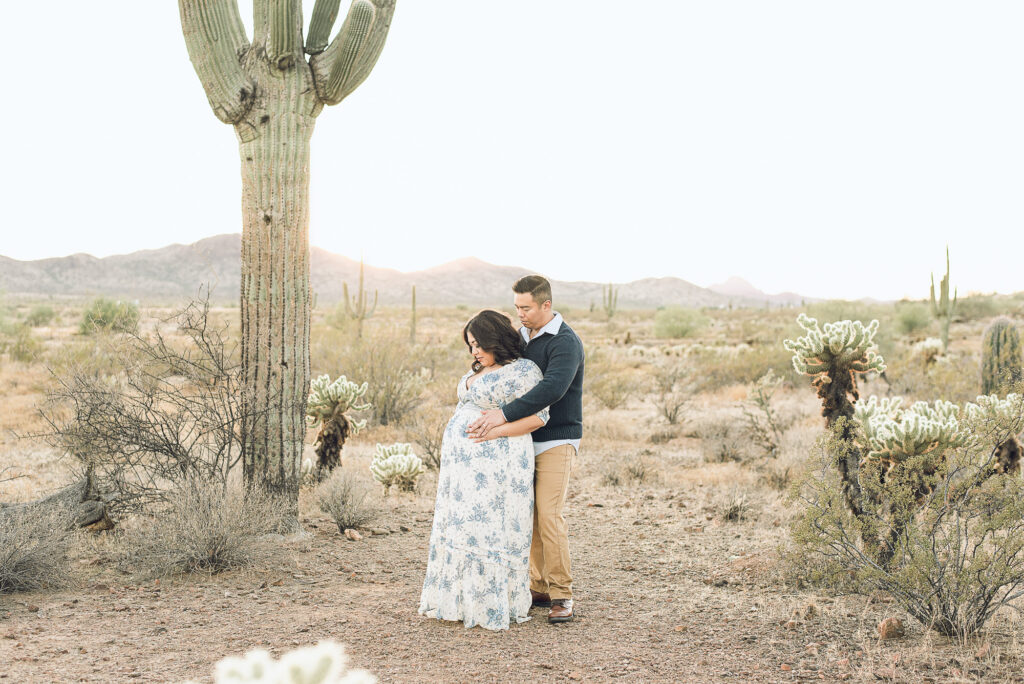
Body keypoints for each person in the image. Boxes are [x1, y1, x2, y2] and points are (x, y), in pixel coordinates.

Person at [418, 309, 549, 631]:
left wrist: (494, 431)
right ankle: (461, 601)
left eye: (479, 344)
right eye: (470, 346)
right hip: (462, 468)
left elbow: (539, 417)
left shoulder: (523, 371)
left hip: (499, 463)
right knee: (462, 526)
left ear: (496, 340)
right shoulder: (478, 369)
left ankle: (491, 604)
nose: (475, 352)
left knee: (489, 527)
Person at [467, 275, 584, 623]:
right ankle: (540, 585)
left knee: (549, 515)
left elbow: (551, 389)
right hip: (519, 439)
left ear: (546, 305)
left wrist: (500, 415)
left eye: (526, 308)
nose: (520, 314)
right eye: (517, 307)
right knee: (526, 513)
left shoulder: (565, 342)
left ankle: (563, 594)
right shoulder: (520, 338)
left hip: (555, 437)